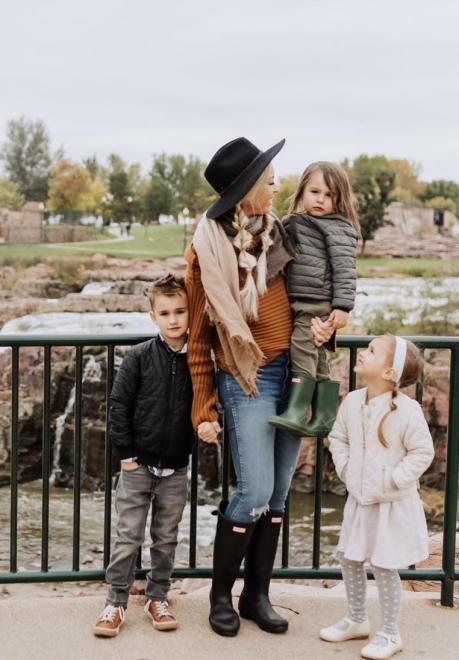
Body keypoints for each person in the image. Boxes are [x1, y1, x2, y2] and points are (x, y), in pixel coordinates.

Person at [185, 137, 335, 637]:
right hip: (245, 377)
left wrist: (325, 329)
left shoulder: (280, 237)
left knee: (278, 494)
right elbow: (200, 338)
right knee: (253, 490)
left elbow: (310, 298)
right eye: (268, 180)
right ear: (246, 189)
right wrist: (203, 405)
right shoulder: (206, 250)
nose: (275, 187)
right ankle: (220, 597)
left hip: (293, 372)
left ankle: (257, 595)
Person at [320, 335, 434, 659]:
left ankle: (389, 633)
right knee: (350, 558)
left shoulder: (407, 411)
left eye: (372, 351)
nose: (363, 353)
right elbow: (337, 437)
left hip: (390, 504)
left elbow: (422, 451)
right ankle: (356, 619)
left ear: (389, 373)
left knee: (385, 566)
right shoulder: (353, 401)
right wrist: (344, 468)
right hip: (359, 499)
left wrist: (394, 479)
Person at [93, 274, 194, 637]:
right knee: (127, 536)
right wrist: (127, 456)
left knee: (166, 538)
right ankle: (115, 601)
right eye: (165, 312)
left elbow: (207, 406)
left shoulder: (198, 360)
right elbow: (118, 406)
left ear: (189, 313)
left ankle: (158, 596)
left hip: (176, 466)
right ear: (153, 316)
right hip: (137, 465)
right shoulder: (138, 357)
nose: (174, 320)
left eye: (180, 311)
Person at [269, 161, 360, 437]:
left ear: (339, 198)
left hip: (316, 300)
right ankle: (323, 417)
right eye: (315, 191)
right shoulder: (294, 222)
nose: (320, 199)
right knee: (318, 358)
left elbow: (345, 270)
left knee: (302, 347)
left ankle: (297, 411)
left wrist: (342, 307)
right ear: (302, 192)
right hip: (298, 299)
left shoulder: (339, 228)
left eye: (329, 195)